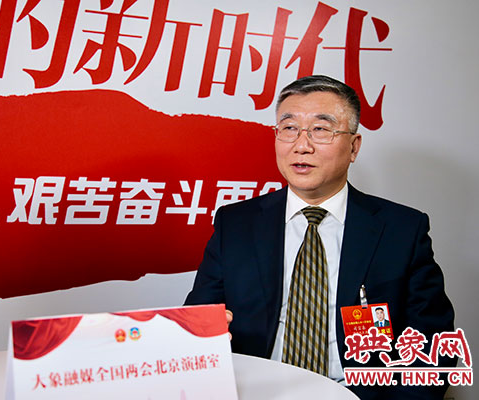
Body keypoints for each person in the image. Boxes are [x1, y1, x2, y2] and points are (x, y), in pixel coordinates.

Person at [184, 75, 454, 399]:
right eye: (289, 128)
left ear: (353, 146)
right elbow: (196, 322)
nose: (302, 145)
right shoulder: (236, 224)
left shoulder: (401, 230)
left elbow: (432, 346)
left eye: (321, 129)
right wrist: (205, 335)